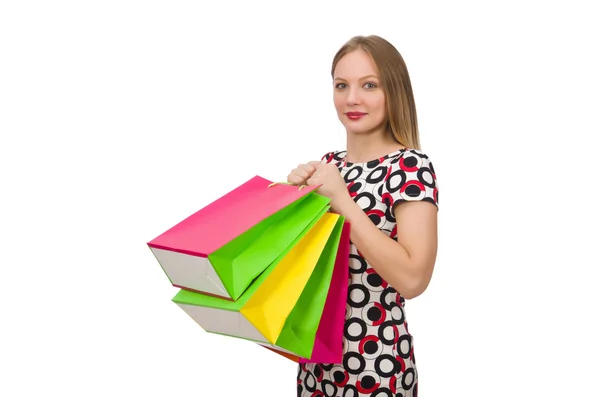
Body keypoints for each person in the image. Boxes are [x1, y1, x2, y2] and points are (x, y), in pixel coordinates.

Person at [287, 35, 439, 397]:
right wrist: (290, 201)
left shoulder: (410, 166)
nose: (351, 98)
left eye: (369, 85)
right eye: (342, 85)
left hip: (376, 363)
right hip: (315, 364)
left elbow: (414, 279)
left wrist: (341, 200)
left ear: (394, 92)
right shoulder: (330, 165)